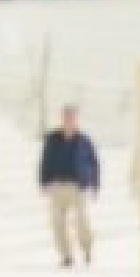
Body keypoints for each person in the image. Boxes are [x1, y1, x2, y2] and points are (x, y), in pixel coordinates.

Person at [40, 105, 105, 268]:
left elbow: (94, 162)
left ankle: (87, 248)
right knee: (57, 223)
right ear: (62, 119)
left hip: (78, 186)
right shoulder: (52, 138)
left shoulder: (84, 140)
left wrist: (95, 184)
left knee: (82, 220)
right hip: (57, 186)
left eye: (72, 117)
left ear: (76, 120)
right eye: (66, 117)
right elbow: (44, 160)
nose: (68, 120)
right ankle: (66, 256)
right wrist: (43, 182)